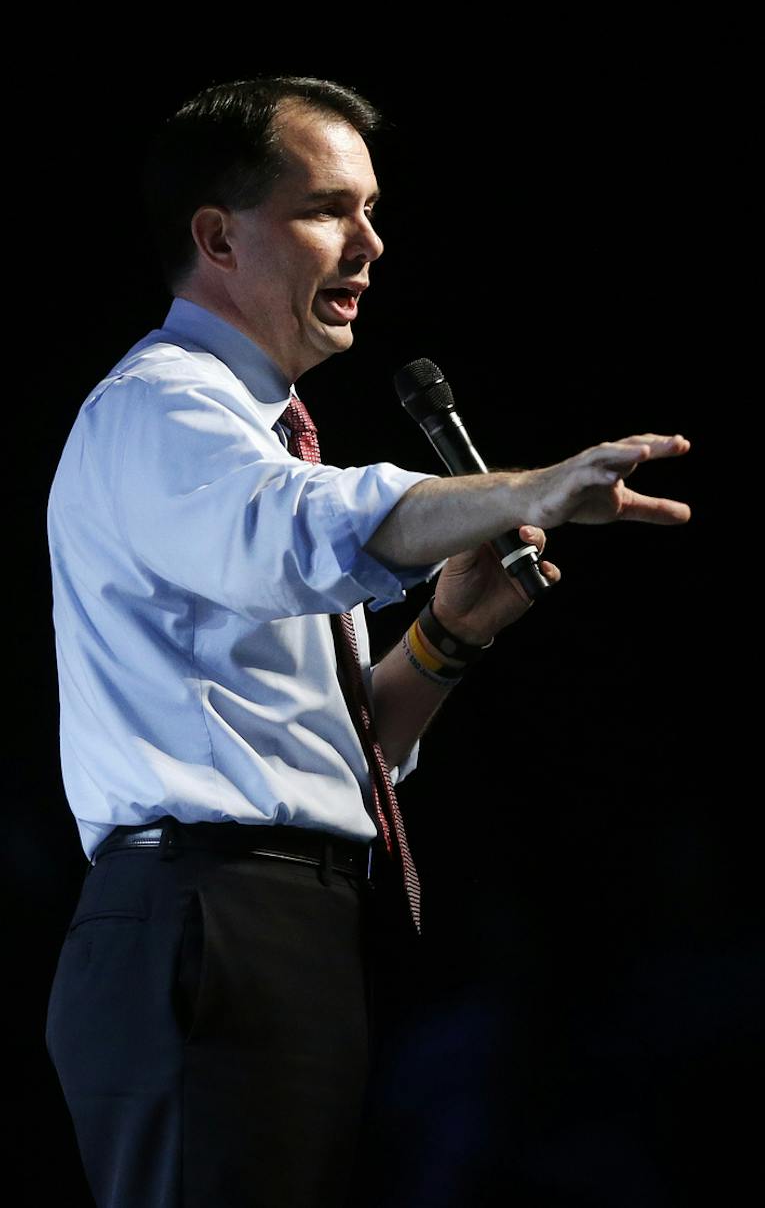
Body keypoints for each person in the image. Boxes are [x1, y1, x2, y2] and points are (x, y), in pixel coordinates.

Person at [43, 76, 690, 1208]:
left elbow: (342, 750)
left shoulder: (258, 442)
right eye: (330, 209)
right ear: (218, 236)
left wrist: (443, 637)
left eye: (373, 208)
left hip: (281, 923)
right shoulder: (159, 409)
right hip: (202, 919)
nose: (371, 243)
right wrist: (523, 489)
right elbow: (310, 529)